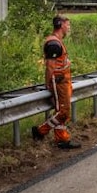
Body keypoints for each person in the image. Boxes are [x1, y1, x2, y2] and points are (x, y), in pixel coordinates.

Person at [32, 15, 80, 149]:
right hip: (58, 81)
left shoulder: (57, 42)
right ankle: (40, 131)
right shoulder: (54, 44)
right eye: (67, 25)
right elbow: (50, 67)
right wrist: (49, 84)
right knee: (63, 112)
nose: (69, 28)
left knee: (63, 112)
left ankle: (62, 140)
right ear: (61, 25)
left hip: (63, 81)